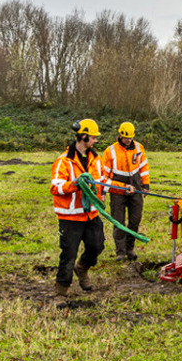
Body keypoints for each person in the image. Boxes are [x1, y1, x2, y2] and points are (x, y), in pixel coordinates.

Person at [51, 119, 110, 291]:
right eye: (93, 138)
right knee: (69, 254)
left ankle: (82, 268)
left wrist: (123, 188)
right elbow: (56, 187)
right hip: (70, 217)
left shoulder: (96, 159)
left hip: (91, 213)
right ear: (83, 137)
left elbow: (103, 180)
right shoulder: (63, 161)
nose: (96, 141)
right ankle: (61, 290)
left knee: (97, 246)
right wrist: (76, 184)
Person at [100, 121, 151, 262]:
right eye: (125, 138)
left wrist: (145, 184)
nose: (128, 140)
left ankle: (130, 249)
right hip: (117, 192)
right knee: (119, 222)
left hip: (136, 188)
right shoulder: (110, 151)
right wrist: (104, 191)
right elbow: (103, 177)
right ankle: (120, 252)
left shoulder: (139, 148)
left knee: (135, 221)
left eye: (130, 138)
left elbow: (144, 167)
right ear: (120, 135)